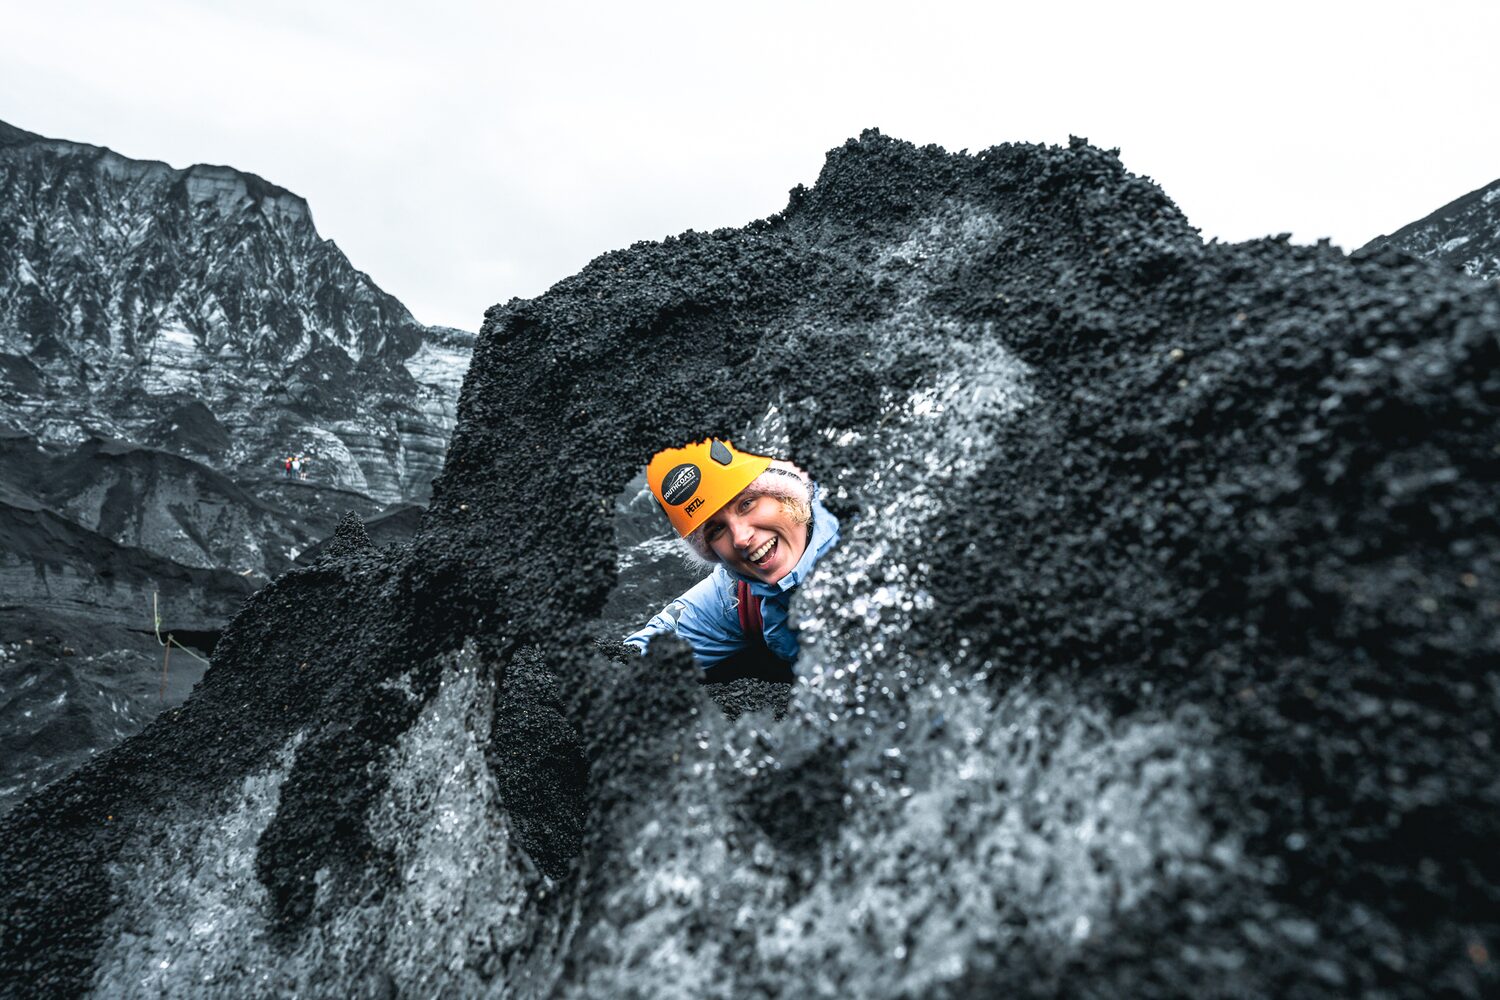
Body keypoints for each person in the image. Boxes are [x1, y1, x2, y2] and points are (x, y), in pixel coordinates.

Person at [624, 439, 840, 681]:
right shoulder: (738, 595)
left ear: (786, 494)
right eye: (716, 530)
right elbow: (637, 655)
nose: (741, 538)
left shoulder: (869, 526)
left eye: (746, 504)